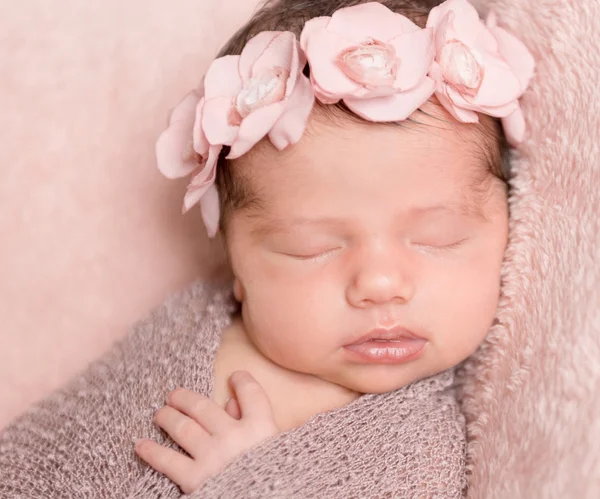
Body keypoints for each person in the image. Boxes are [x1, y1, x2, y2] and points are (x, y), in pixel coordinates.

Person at [0, 0, 534, 497]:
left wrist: (254, 481)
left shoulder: (423, 456)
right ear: (236, 263)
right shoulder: (184, 325)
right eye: (311, 248)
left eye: (438, 239)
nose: (379, 284)